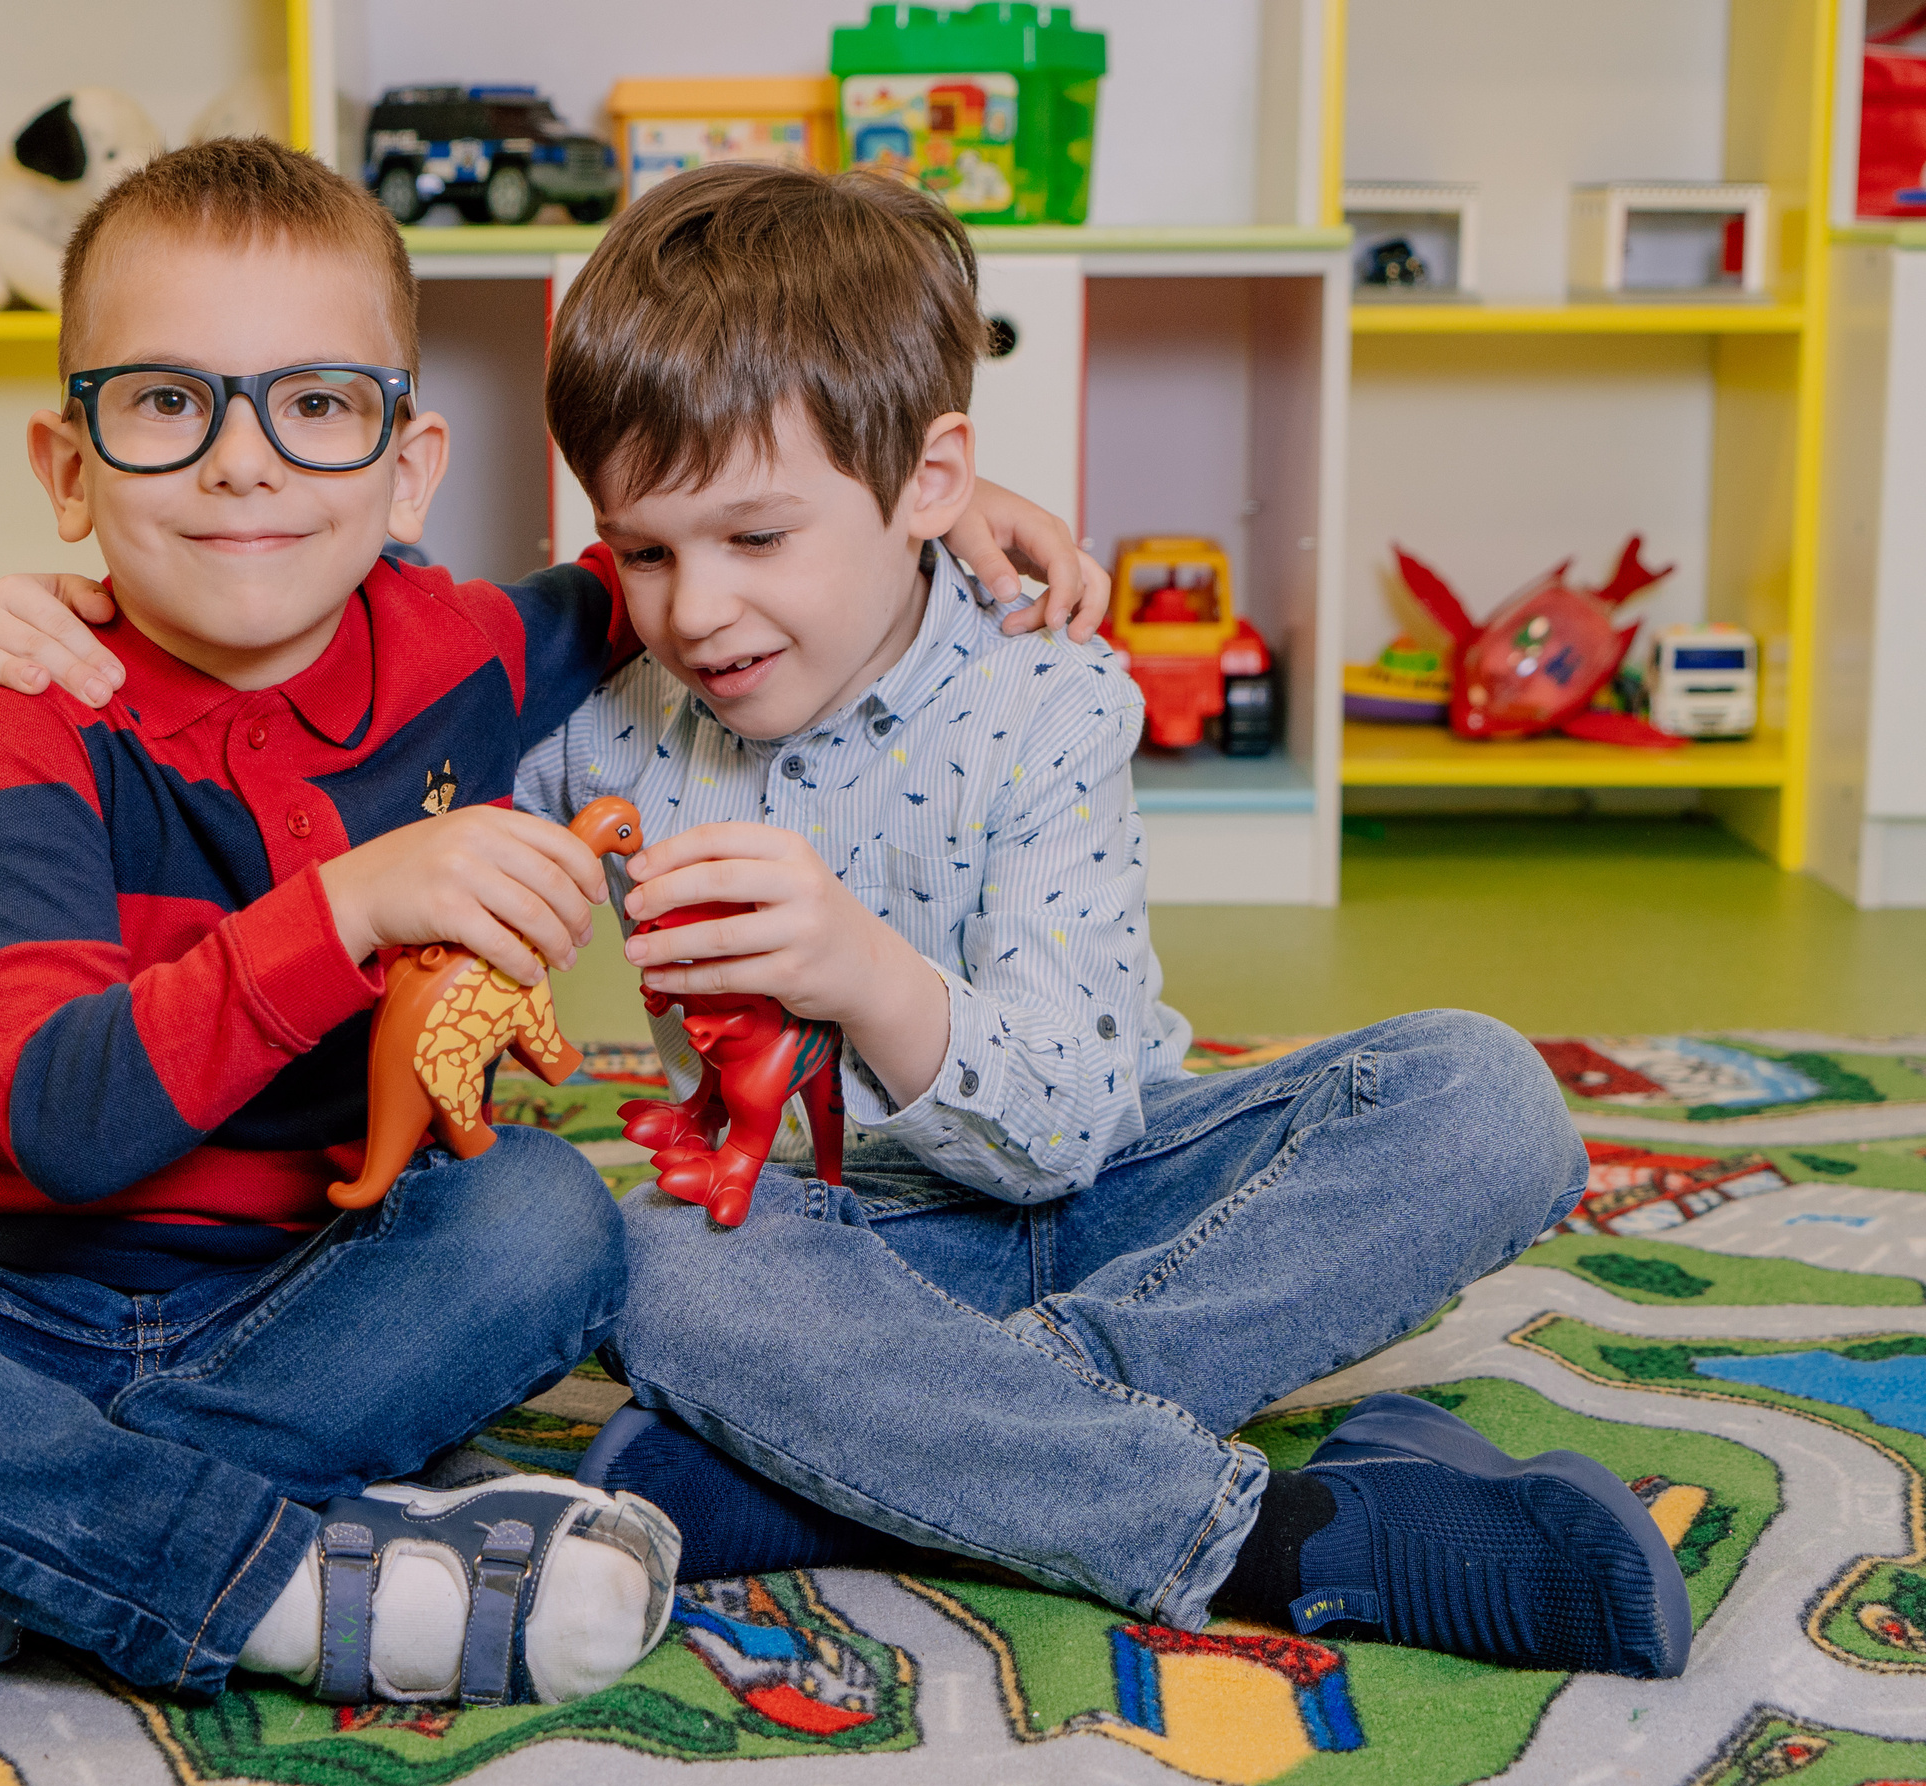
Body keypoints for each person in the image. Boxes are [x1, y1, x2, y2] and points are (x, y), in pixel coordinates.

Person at [0, 139, 1109, 1748]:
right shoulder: (27, 729)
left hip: (313, 1302)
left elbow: (729, 519)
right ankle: (270, 1579)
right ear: (67, 467)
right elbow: (63, 1114)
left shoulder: (465, 651)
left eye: (316, 404)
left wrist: (947, 511)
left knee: (547, 1215)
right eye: (166, 403)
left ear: (409, 467)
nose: (244, 462)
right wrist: (356, 903)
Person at [503, 163, 1685, 1680]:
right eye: (644, 549)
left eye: (755, 539)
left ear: (932, 484)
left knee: (1486, 1099)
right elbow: (389, 670)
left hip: (1119, 1195)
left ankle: (888, 1459)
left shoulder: (1044, 700)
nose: (695, 610)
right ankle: (1286, 1542)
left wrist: (863, 972)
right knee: (655, 1258)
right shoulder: (613, 718)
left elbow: (1066, 1127)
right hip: (839, 1251)